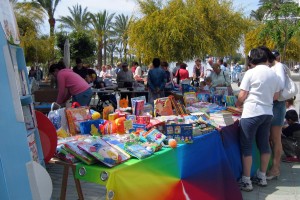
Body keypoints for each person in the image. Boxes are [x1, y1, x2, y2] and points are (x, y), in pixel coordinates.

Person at [236, 47, 280, 191]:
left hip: (251, 112)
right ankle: (261, 176)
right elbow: (276, 97)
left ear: (253, 59)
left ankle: (246, 180)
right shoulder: (274, 75)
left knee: (247, 146)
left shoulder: (251, 72)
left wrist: (238, 104)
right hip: (267, 113)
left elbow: (242, 95)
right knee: (264, 144)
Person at [267, 49, 287, 180]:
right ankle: (273, 166)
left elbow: (280, 86)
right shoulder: (273, 67)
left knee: (276, 138)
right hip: (273, 104)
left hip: (277, 104)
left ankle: (275, 169)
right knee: (273, 138)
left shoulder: (278, 67)